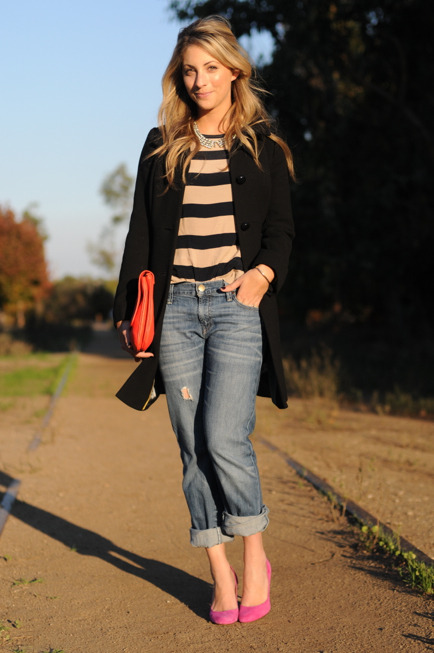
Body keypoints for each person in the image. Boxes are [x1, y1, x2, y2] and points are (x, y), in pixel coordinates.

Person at [113, 15, 295, 624]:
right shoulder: (161, 143)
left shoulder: (262, 144)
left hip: (236, 305)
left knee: (223, 437)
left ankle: (254, 557)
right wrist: (128, 315)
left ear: (234, 70)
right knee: (191, 447)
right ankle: (219, 574)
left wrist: (261, 278)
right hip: (175, 313)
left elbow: (281, 231)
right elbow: (141, 231)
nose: (199, 80)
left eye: (210, 68)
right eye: (189, 70)